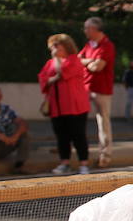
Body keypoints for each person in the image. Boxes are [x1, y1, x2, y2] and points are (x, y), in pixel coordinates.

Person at [39, 34, 91, 175]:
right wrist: (52, 78)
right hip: (57, 107)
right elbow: (43, 79)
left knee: (78, 135)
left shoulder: (74, 60)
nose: (53, 49)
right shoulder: (50, 63)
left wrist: (53, 75)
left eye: (56, 45)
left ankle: (84, 164)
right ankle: (64, 163)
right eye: (52, 47)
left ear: (66, 46)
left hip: (75, 107)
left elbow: (63, 72)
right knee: (62, 137)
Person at [78, 17, 115, 167]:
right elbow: (77, 60)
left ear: (95, 29)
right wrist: (89, 61)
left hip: (102, 89)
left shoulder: (107, 45)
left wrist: (86, 61)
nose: (85, 30)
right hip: (86, 87)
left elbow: (97, 67)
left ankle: (105, 155)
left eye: (87, 28)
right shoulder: (89, 44)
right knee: (79, 121)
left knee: (103, 123)